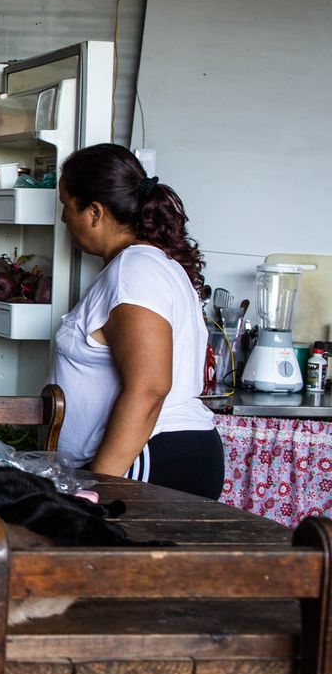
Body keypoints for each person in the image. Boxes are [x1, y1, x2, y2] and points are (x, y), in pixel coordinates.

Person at [50, 143, 223, 499]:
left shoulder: (134, 270)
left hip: (146, 458)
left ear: (94, 211)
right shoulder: (146, 264)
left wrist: (99, 486)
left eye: (67, 206)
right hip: (153, 454)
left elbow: (150, 387)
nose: (64, 218)